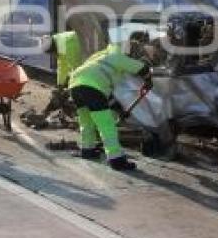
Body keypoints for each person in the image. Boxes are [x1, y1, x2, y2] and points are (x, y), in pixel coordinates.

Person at [66, 33, 153, 171]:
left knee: (86, 120)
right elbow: (141, 68)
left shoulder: (101, 56)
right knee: (106, 124)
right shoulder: (117, 57)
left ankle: (87, 150)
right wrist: (148, 77)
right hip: (91, 87)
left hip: (75, 85)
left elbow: (106, 83)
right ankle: (116, 159)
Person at [44, 30, 83, 115]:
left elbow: (76, 68)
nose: (53, 55)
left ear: (53, 48)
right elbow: (62, 66)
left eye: (52, 53)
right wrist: (60, 85)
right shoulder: (58, 43)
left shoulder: (68, 45)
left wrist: (72, 88)